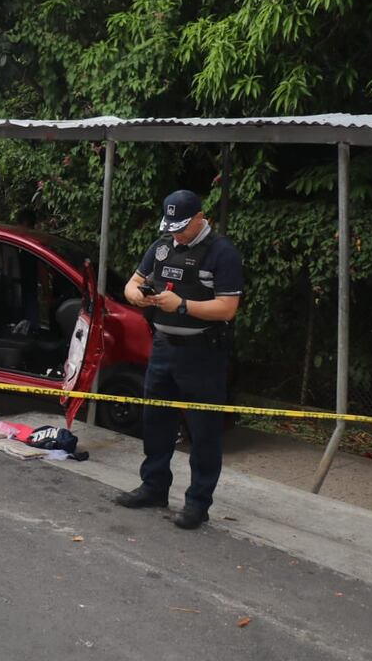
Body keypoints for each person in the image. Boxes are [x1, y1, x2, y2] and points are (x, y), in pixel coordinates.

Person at [114, 190, 243, 529]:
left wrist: (182, 306)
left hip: (203, 353)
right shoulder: (160, 247)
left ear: (202, 218)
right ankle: (154, 486)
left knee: (203, 431)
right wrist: (138, 297)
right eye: (171, 227)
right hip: (163, 349)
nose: (176, 234)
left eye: (182, 227)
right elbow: (132, 283)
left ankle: (197, 504)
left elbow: (227, 308)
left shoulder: (222, 253)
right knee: (156, 421)